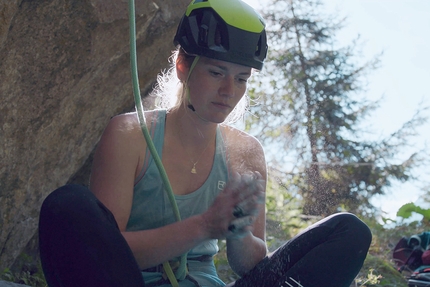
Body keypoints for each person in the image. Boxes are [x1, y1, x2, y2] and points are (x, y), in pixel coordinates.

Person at [38, 0, 372, 286]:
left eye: (241, 78)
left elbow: (248, 266)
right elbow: (101, 251)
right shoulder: (130, 135)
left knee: (348, 232)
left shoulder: (246, 151)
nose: (230, 90)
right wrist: (204, 226)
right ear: (183, 65)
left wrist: (238, 232)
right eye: (216, 73)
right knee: (67, 206)